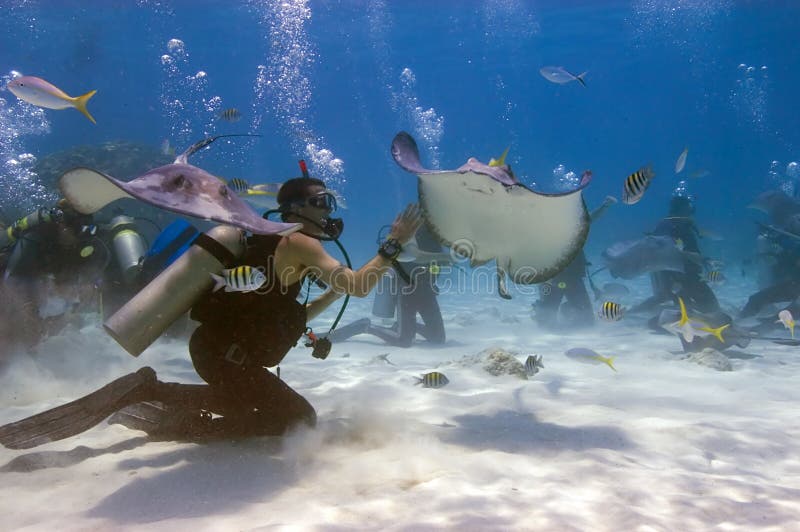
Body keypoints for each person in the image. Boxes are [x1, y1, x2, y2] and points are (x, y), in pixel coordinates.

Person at [0, 176, 422, 449]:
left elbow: (285, 316)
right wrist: (394, 244)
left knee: (251, 411)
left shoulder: (267, 242)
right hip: (229, 359)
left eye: (330, 200)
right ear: (296, 209)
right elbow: (360, 285)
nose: (329, 211)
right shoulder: (301, 243)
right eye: (322, 201)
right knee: (298, 419)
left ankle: (159, 399)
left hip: (217, 351)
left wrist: (328, 295)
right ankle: (152, 393)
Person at [329, 224, 448, 347]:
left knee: (438, 338)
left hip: (427, 290)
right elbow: (416, 257)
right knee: (404, 341)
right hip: (407, 291)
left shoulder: (437, 237)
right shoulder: (411, 234)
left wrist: (436, 269)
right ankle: (365, 326)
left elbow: (435, 265)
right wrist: (444, 258)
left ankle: (403, 326)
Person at [532, 195, 616, 328]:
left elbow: (589, 218)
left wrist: (604, 206)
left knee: (587, 322)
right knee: (545, 323)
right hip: (551, 279)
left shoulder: (574, 226)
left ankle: (568, 311)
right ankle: (557, 311)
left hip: (573, 277)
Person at [631, 193, 720, 315]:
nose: (691, 211)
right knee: (712, 307)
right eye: (689, 208)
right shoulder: (679, 227)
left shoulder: (663, 224)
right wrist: (704, 260)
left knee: (666, 298)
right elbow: (678, 252)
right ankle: (635, 314)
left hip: (667, 274)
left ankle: (632, 312)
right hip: (684, 274)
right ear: (683, 209)